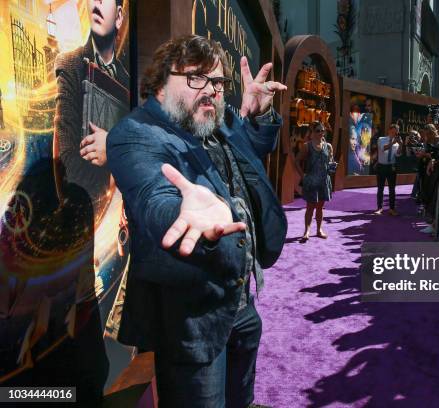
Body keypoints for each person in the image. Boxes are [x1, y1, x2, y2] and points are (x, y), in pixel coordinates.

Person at [105, 35, 288, 407]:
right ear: (159, 84)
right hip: (192, 316)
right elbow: (153, 196)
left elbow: (254, 150)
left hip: (240, 296)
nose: (211, 91)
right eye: (195, 78)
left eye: (218, 82)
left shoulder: (213, 120)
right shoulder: (135, 135)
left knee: (242, 399)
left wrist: (259, 114)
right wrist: (186, 216)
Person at [53, 0, 129, 214]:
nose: (98, 2)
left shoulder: (128, 79)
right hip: (87, 214)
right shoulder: (71, 63)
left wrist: (111, 148)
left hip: (121, 216)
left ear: (119, 17)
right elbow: (68, 164)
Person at [297, 121, 335, 241]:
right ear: (312, 132)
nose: (320, 133)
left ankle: (319, 230)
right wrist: (302, 176)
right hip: (311, 180)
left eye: (322, 130)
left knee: (320, 207)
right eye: (317, 130)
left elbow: (330, 162)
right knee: (310, 207)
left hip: (324, 180)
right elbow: (297, 161)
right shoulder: (307, 146)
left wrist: (332, 166)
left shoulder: (328, 146)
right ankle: (306, 231)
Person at [374, 123, 403, 216]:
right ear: (389, 131)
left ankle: (392, 209)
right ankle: (379, 208)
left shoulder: (397, 142)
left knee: (392, 189)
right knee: (380, 188)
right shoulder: (381, 139)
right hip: (382, 166)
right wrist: (392, 143)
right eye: (393, 131)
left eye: (396, 132)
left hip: (391, 167)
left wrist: (401, 145)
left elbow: (398, 154)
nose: (395, 133)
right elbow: (383, 148)